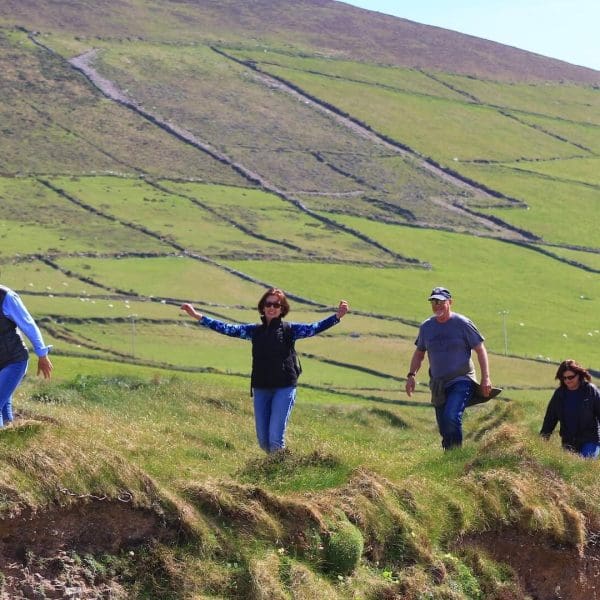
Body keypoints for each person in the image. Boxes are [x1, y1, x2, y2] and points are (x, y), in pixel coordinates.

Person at [181, 288, 349, 453]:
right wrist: (198, 316)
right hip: (261, 388)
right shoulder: (254, 331)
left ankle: (282, 475)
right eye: (268, 304)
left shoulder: (290, 330)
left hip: (284, 387)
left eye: (276, 305)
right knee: (263, 442)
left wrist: (337, 317)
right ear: (262, 306)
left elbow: (314, 327)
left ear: (282, 309)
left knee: (275, 440)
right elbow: (227, 328)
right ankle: (275, 469)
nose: (271, 307)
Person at [405, 286, 494, 450]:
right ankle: (450, 455)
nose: (437, 305)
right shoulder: (427, 327)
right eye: (434, 302)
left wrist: (485, 378)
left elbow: (480, 349)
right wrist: (411, 375)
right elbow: (419, 353)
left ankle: (457, 454)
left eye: (441, 302)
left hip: (461, 379)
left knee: (452, 416)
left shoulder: (462, 324)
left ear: (450, 302)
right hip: (438, 383)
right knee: (444, 425)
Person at [0, 285, 53, 428]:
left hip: (13, 361)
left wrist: (42, 355)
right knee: (3, 407)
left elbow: (28, 325)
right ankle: (10, 444)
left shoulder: (6, 297)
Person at [540, 359, 600, 458]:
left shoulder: (590, 391)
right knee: (569, 471)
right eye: (564, 378)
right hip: (568, 443)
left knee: (582, 466)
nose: (567, 380)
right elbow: (550, 419)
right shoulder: (559, 394)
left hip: (590, 440)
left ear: (579, 375)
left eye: (571, 377)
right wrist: (542, 440)